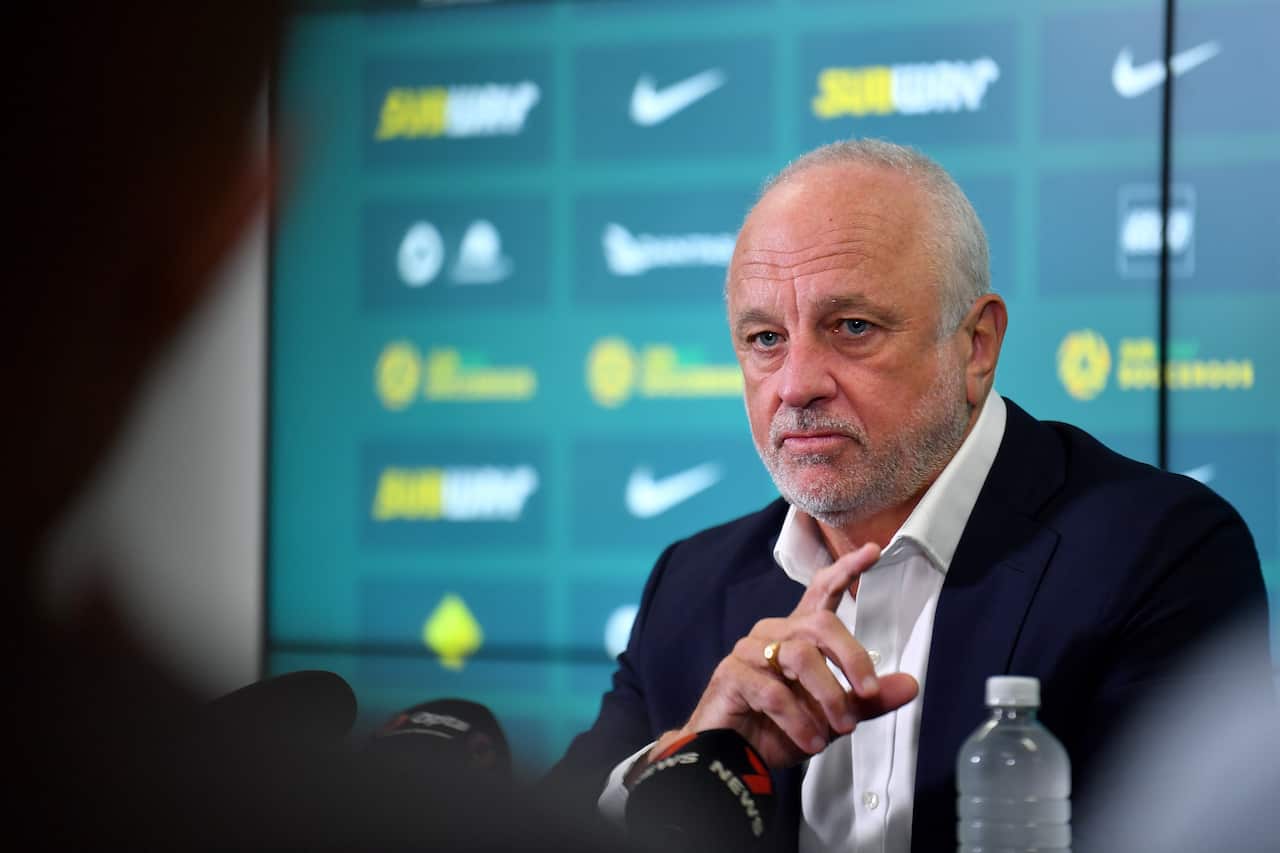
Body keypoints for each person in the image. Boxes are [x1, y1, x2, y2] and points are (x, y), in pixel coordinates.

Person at [548, 139, 1272, 853]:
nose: (796, 384)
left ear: (976, 345)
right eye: (765, 338)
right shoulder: (691, 585)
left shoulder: (1159, 553)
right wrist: (687, 768)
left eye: (852, 327)